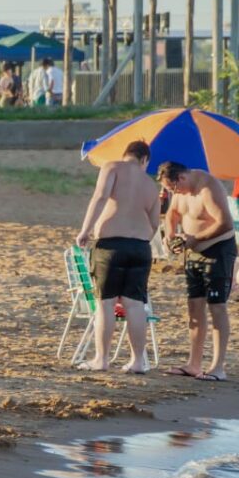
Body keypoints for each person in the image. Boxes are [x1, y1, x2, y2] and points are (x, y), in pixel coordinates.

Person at [74, 140, 160, 373]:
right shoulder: (151, 185)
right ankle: (137, 361)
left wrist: (85, 230)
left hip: (111, 245)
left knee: (106, 304)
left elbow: (100, 198)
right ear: (145, 160)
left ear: (126, 154)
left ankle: (101, 359)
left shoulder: (112, 167)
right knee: (135, 305)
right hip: (140, 248)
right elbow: (154, 224)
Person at [158, 162, 236, 382]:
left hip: (218, 251)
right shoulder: (179, 193)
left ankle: (218, 366)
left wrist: (195, 239)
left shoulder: (208, 188)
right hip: (192, 253)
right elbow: (172, 214)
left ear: (181, 178)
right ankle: (194, 363)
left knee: (217, 306)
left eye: (173, 188)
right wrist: (170, 235)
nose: (173, 193)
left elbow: (225, 223)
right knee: (194, 306)